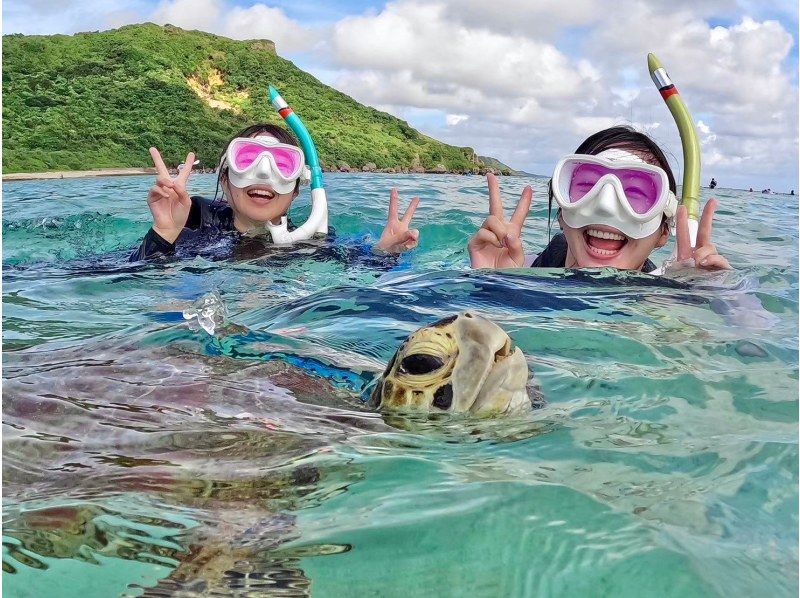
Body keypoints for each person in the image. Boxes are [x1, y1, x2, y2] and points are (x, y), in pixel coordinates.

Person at [130, 124, 418, 261]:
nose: (265, 173)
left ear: (295, 189)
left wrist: (385, 252)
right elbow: (121, 280)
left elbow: (361, 280)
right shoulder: (193, 224)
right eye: (248, 159)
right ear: (225, 178)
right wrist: (163, 234)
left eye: (283, 164)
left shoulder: (310, 240)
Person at [468, 126, 730, 272]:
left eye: (637, 193)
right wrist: (492, 285)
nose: (605, 205)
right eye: (586, 185)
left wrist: (712, 299)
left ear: (663, 232)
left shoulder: (668, 299)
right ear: (561, 213)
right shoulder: (518, 270)